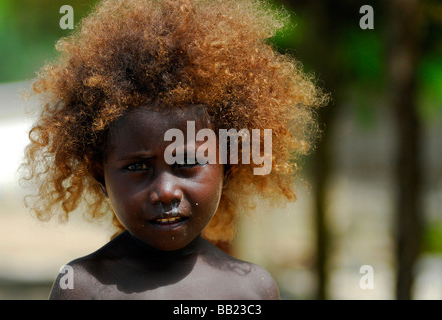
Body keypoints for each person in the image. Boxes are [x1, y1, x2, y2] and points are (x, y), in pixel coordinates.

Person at [21, 0, 327, 299]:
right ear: (100, 175)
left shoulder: (252, 290)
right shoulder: (81, 288)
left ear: (228, 167)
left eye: (187, 163)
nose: (166, 192)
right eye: (138, 167)